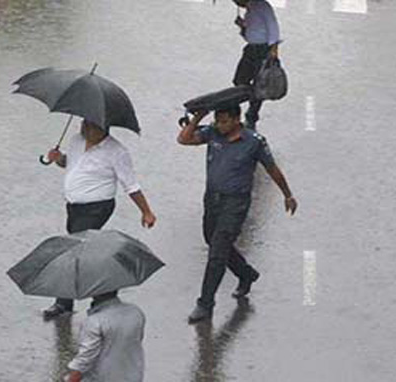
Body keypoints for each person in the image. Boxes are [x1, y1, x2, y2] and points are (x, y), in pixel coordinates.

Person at [177, 106, 297, 323]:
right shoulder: (212, 132)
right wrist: (197, 118)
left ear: (236, 119)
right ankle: (246, 274)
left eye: (224, 121)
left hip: (235, 203)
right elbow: (184, 139)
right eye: (217, 121)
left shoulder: (254, 142)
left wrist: (287, 195)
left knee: (217, 253)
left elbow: (272, 169)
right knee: (211, 240)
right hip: (212, 199)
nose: (220, 125)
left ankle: (205, 304)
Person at [42, 120, 157, 320]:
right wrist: (58, 158)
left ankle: (67, 302)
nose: (84, 128)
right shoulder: (77, 140)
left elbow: (131, 185)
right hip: (73, 206)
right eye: (83, 123)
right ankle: (98, 296)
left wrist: (146, 211)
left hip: (97, 207)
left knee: (73, 251)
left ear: (102, 128)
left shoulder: (116, 151)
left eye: (89, 126)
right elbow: (72, 164)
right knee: (81, 250)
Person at [64, 290, 145, 382]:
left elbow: (86, 357)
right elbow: (137, 340)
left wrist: (72, 379)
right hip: (133, 376)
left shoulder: (94, 321)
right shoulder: (135, 312)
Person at [232, 0, 280, 129]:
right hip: (250, 49)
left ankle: (252, 116)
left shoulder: (262, 5)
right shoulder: (250, 9)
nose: (236, 3)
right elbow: (251, 34)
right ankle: (246, 103)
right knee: (239, 80)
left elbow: (273, 27)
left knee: (260, 85)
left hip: (263, 50)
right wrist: (242, 26)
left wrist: (273, 49)